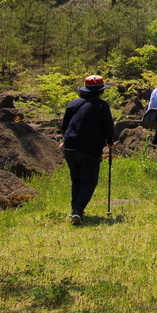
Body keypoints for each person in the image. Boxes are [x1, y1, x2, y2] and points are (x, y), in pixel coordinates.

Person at [60, 75, 115, 225]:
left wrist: (64, 140)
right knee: (89, 181)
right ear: (100, 91)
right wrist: (110, 142)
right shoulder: (102, 105)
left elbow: (65, 125)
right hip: (90, 148)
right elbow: (108, 126)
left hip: (70, 147)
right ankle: (77, 210)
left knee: (76, 180)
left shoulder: (73, 104)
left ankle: (75, 210)